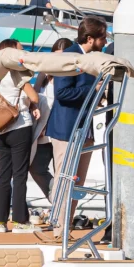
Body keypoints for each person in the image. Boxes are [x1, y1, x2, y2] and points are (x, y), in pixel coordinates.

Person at [46, 17, 108, 223]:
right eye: (103, 38)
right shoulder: (69, 57)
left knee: (77, 181)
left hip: (84, 129)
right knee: (64, 177)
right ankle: (58, 227)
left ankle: (66, 226)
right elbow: (62, 92)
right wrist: (94, 89)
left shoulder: (90, 58)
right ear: (90, 39)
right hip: (66, 128)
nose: (106, 42)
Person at [0, 37, 40, 233]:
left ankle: (0, 222)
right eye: (20, 50)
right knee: (19, 176)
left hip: (0, 127)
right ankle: (19, 221)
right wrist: (33, 103)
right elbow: (33, 96)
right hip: (19, 125)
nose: (23, 53)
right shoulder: (17, 73)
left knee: (3, 175)